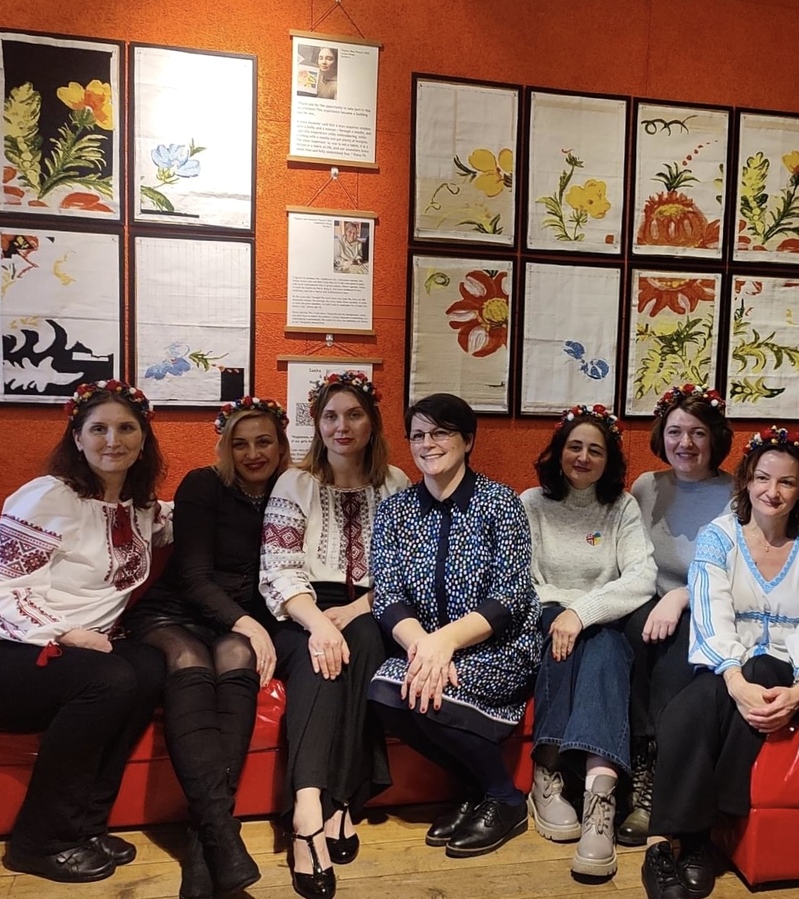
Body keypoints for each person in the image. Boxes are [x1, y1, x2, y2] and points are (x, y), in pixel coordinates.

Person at [0, 381, 172, 884]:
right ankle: (39, 840)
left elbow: (180, 519)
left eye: (127, 428)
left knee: (149, 666)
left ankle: (86, 825)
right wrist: (66, 634)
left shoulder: (139, 507)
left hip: (75, 655)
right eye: (99, 429)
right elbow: (3, 591)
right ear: (77, 436)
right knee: (108, 678)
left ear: (144, 437)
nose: (114, 440)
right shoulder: (48, 497)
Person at [641, 426, 799, 899]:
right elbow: (710, 611)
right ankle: (678, 843)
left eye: (786, 482)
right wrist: (733, 678)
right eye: (763, 478)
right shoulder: (718, 536)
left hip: (789, 671)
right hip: (726, 669)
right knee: (691, 705)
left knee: (761, 670)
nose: (773, 491)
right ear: (745, 481)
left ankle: (684, 838)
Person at [122, 396, 290, 898]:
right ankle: (222, 831)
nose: (253, 453)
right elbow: (193, 576)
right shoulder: (203, 485)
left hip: (236, 625)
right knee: (190, 657)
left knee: (236, 655)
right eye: (240, 444)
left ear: (281, 444)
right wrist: (249, 624)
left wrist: (251, 627)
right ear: (226, 448)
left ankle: (206, 837)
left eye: (263, 442)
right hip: (175, 612)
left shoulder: (294, 490)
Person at [368, 393, 541, 859]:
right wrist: (424, 646)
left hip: (500, 646)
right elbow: (387, 595)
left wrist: (444, 643)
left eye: (440, 433)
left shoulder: (500, 502)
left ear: (466, 440)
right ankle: (477, 787)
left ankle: (506, 800)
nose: (428, 444)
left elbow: (510, 595)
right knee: (385, 691)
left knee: (430, 695)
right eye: (418, 435)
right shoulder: (395, 511)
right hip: (427, 646)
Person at [260, 371, 409, 899]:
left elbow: (401, 568)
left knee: (366, 640)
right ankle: (308, 811)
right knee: (320, 658)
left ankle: (342, 800)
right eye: (330, 416)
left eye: (353, 414)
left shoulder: (395, 483)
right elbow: (278, 567)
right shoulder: (294, 482)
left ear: (372, 423)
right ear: (316, 424)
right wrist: (321, 621)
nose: (341, 426)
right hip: (299, 608)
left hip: (372, 604)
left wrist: (358, 609)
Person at [520, 404, 656, 880]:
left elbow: (641, 577)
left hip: (600, 619)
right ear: (558, 453)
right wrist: (565, 612)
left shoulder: (622, 507)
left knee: (602, 644)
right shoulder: (532, 503)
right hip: (545, 615)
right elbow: (523, 578)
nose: (583, 457)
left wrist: (584, 611)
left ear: (609, 459)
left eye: (595, 450)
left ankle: (599, 798)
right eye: (574, 447)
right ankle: (548, 777)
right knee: (568, 634)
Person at [621, 384, 734, 846]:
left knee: (678, 643)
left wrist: (682, 596)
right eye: (674, 432)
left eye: (697, 433)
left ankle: (654, 780)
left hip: (704, 605)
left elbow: (735, 568)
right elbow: (629, 557)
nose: (685, 443)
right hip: (646, 601)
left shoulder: (736, 492)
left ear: (715, 439)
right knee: (626, 634)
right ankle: (631, 766)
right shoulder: (647, 486)